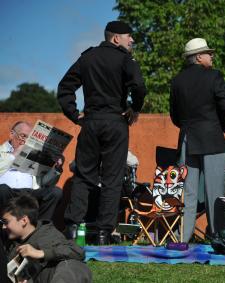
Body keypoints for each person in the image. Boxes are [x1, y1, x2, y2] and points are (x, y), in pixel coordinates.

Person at [57, 20, 147, 245]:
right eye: (129, 36)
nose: (132, 40)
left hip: (91, 122)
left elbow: (65, 87)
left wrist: (74, 114)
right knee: (112, 179)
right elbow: (139, 86)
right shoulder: (126, 59)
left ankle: (72, 228)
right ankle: (104, 233)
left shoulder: (87, 57)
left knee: (83, 176)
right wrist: (134, 108)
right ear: (116, 38)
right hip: (116, 122)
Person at [170, 38, 225, 242]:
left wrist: (188, 127)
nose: (211, 55)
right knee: (214, 192)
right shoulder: (214, 76)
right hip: (212, 139)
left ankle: (183, 239)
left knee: (188, 194)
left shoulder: (177, 80)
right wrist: (220, 127)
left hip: (188, 139)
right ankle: (218, 237)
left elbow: (174, 115)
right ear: (198, 57)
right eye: (208, 53)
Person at [1, 194, 91, 282]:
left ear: (24, 220)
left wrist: (41, 253)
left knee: (73, 265)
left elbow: (78, 251)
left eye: (6, 222)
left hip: (55, 276)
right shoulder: (7, 239)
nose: (3, 227)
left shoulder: (46, 235)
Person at [0, 121, 63, 220]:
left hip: (29, 193)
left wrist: (57, 168)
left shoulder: (35, 154)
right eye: (23, 136)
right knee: (2, 189)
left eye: (29, 139)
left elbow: (44, 182)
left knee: (55, 192)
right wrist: (15, 154)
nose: (25, 141)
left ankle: (40, 229)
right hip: (7, 192)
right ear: (12, 134)